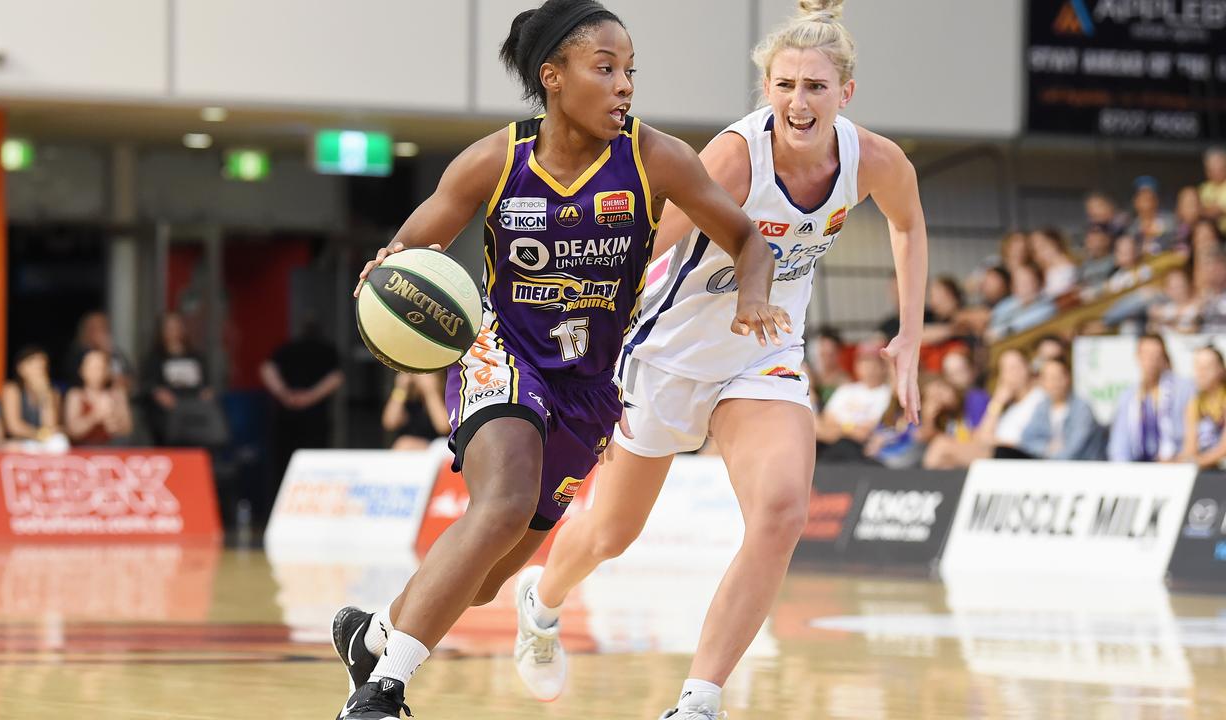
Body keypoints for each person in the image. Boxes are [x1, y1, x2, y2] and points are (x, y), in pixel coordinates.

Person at [331, 2, 788, 717]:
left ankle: (378, 635)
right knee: (503, 504)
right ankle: (382, 691)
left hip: (588, 386)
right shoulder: (496, 159)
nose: (625, 85)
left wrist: (752, 295)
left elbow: (747, 239)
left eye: (630, 71)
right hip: (501, 354)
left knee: (486, 577)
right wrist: (382, 274)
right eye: (606, 69)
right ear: (554, 78)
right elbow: (410, 249)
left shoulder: (654, 157)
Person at [510, 3, 927, 717]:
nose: (800, 101)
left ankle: (697, 703)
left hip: (761, 357)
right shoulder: (735, 158)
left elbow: (909, 225)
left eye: (816, 87)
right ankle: (541, 603)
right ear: (766, 88)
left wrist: (910, 339)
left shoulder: (874, 160)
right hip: (669, 356)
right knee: (611, 533)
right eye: (787, 85)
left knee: (781, 512)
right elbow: (642, 250)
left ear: (845, 94)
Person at [260, 322, 344, 520]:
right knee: (298, 467)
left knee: (305, 467)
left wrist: (287, 395)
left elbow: (266, 368)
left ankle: (290, 513)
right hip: (302, 418)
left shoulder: (320, 350)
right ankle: (295, 513)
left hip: (304, 418)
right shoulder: (305, 349)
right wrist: (304, 397)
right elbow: (337, 378)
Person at [923, 348, 1042, 469]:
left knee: (941, 446)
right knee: (943, 456)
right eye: (1006, 369)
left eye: (1015, 367)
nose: (1013, 374)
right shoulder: (1009, 406)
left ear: (1028, 367)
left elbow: (983, 437)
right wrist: (998, 401)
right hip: (1000, 452)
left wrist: (998, 401)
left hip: (1020, 456)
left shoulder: (1040, 397)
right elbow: (985, 435)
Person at [1107, 334, 1195, 463]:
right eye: (1146, 354)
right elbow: (1119, 443)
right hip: (1138, 467)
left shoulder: (1183, 389)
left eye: (1156, 355)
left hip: (1175, 465)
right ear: (1137, 356)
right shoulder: (1128, 396)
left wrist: (1178, 461)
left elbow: (1192, 437)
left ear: (1164, 358)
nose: (1151, 360)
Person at [143, 312, 223, 447]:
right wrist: (160, 394)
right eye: (169, 328)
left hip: (195, 408)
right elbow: (149, 385)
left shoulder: (196, 356)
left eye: (176, 327)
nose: (173, 332)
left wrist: (206, 394)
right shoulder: (155, 358)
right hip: (170, 410)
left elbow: (207, 384)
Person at [816, 341, 895, 458]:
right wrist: (850, 429)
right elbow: (825, 422)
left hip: (861, 451)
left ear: (883, 366)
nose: (868, 367)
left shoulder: (887, 393)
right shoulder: (846, 389)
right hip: (832, 446)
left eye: (873, 362)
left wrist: (838, 429)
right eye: (863, 362)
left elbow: (866, 431)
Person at [1019, 357, 1103, 461]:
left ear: (1068, 378)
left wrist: (1050, 456)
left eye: (1058, 377)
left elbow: (1074, 449)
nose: (1054, 383)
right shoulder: (1041, 407)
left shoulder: (1082, 408)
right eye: (1049, 378)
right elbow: (1026, 440)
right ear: (1042, 382)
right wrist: (1047, 448)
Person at [1, 345, 67, 451]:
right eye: (35, 367)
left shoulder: (53, 392)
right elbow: (14, 426)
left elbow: (50, 425)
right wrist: (39, 435)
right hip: (21, 441)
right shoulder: (12, 389)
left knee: (60, 442)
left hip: (43, 442)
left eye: (42, 368)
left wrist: (45, 394)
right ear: (21, 368)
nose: (39, 371)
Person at [64, 349, 133, 446]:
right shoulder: (75, 395)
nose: (96, 373)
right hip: (84, 450)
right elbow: (72, 431)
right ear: (82, 370)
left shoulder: (117, 394)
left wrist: (113, 422)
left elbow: (127, 429)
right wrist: (95, 416)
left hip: (112, 448)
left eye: (100, 368)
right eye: (92, 368)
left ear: (107, 371)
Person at [1177, 346, 1226, 469]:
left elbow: (1223, 449)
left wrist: (1197, 462)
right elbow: (1190, 448)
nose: (1201, 373)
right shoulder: (1194, 403)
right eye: (1197, 367)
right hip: (1204, 471)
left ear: (1221, 370)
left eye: (1207, 367)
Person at [381, 372, 450, 450]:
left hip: (441, 447)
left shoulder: (446, 393)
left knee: (405, 444)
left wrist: (430, 391)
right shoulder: (409, 398)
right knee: (403, 444)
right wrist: (400, 389)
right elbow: (390, 423)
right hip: (414, 449)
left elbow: (444, 428)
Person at [1145, 266, 1200, 335]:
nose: (1178, 291)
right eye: (1173, 287)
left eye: (1181, 286)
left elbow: (1194, 328)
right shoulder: (1164, 309)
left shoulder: (1197, 306)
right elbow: (1151, 329)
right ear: (1167, 290)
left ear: (1188, 285)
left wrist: (1171, 324)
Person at [1029, 227, 1078, 297]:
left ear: (1054, 241)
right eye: (1035, 248)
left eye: (1043, 244)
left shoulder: (1071, 267)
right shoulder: (1046, 274)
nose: (1040, 249)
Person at [1200, 146, 1226, 235]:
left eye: (1219, 167)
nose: (1216, 171)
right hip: (1212, 235)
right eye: (1211, 168)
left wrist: (1202, 211)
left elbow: (1218, 211)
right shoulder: (1205, 188)